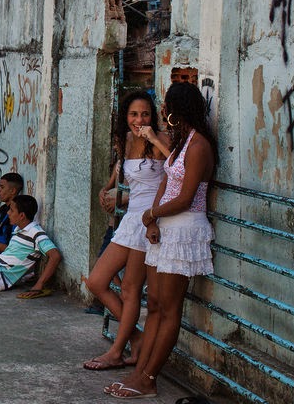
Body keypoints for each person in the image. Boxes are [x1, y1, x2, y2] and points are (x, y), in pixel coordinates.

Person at [106, 82, 218, 399]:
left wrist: (150, 213)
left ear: (176, 110)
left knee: (169, 310)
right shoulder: (182, 142)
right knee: (153, 305)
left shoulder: (199, 147)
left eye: (166, 105)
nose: (162, 111)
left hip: (183, 230)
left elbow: (184, 198)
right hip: (164, 228)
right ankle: (140, 372)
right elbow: (166, 180)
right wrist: (153, 218)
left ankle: (149, 379)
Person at [83, 90, 169, 371]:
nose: (139, 119)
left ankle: (117, 351)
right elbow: (126, 172)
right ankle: (135, 336)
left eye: (145, 114)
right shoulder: (127, 139)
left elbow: (178, 169)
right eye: (134, 114)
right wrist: (108, 188)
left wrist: (155, 138)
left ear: (152, 115)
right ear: (126, 116)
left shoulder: (160, 140)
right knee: (96, 281)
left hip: (149, 221)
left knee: (131, 289)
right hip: (130, 221)